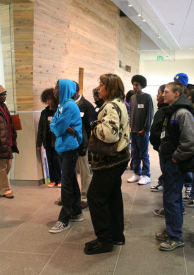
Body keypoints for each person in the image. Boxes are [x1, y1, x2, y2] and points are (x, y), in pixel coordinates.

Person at [85, 73, 130, 255]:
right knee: (112, 196)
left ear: (109, 88)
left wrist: (93, 125)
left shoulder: (111, 106)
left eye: (101, 84)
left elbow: (109, 134)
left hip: (109, 160)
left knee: (95, 197)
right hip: (119, 158)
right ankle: (117, 235)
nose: (98, 88)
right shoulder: (120, 103)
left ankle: (104, 240)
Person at [155, 81, 194, 251]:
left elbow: (190, 141)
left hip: (174, 163)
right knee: (171, 199)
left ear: (176, 94)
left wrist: (175, 158)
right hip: (169, 161)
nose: (163, 94)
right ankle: (172, 229)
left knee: (172, 199)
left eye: (166, 92)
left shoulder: (182, 113)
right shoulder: (171, 112)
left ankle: (175, 237)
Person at [49, 79, 83, 233]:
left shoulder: (69, 105)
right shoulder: (62, 106)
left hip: (70, 148)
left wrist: (59, 127)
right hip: (64, 147)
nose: (54, 90)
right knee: (71, 180)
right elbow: (53, 125)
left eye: (57, 87)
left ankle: (64, 219)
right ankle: (76, 212)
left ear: (64, 89)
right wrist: (58, 126)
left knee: (66, 183)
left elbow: (59, 126)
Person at [72, 82, 95, 209]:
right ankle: (73, 195)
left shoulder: (86, 105)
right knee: (70, 171)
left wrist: (87, 144)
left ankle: (85, 196)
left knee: (84, 171)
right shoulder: (68, 104)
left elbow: (91, 127)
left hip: (82, 144)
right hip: (70, 145)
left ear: (75, 90)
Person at [127, 74, 154, 185]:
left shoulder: (147, 97)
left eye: (137, 85)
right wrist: (130, 125)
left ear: (141, 85)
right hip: (133, 131)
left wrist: (146, 129)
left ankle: (146, 175)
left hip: (142, 132)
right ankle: (137, 174)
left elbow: (150, 114)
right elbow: (131, 113)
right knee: (135, 154)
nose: (134, 86)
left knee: (144, 155)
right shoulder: (132, 97)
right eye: (133, 84)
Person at [36, 88, 61, 188]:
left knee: (57, 160)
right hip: (47, 141)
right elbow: (40, 128)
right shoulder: (44, 113)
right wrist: (39, 143)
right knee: (49, 160)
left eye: (50, 99)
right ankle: (52, 180)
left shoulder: (59, 111)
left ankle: (60, 179)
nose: (48, 101)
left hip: (56, 141)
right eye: (47, 99)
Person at [150, 84, 167, 192]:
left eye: (159, 93)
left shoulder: (166, 110)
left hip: (163, 145)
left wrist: (160, 143)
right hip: (160, 145)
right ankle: (162, 181)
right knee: (164, 168)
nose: (158, 95)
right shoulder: (162, 108)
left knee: (166, 169)